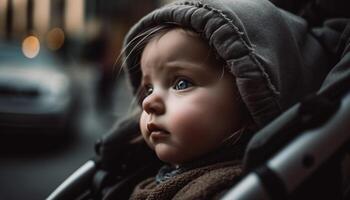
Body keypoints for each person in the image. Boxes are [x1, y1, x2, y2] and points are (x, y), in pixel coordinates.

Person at [104, 0, 337, 199]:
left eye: (181, 83)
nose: (148, 102)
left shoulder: (232, 188)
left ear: (248, 99)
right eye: (149, 88)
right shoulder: (153, 178)